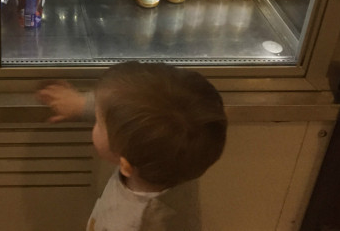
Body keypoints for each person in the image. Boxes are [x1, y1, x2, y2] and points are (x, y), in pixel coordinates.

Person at [37, 62, 227, 231]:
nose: (96, 122)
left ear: (125, 165)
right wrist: (82, 105)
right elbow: (140, 108)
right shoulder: (177, 156)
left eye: (99, 122)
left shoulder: (132, 224)